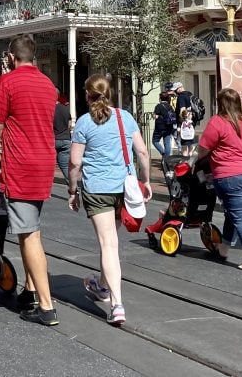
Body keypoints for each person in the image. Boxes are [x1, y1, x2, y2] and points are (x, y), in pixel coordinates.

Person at [0, 34, 59, 326]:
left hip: (22, 163)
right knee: (33, 227)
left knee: (29, 235)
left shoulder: (9, 83)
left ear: (12, 58)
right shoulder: (48, 85)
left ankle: (46, 306)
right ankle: (29, 289)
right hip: (45, 161)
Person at [67, 74, 151, 326]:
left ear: (87, 95)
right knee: (111, 244)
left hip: (98, 189)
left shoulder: (84, 123)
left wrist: (73, 190)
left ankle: (117, 305)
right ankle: (102, 286)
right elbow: (143, 151)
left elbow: (74, 162)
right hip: (123, 188)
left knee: (108, 245)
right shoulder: (125, 117)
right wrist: (145, 180)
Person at [198, 88, 242, 271]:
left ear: (220, 103)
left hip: (230, 175)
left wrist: (198, 160)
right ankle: (224, 247)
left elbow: (204, 148)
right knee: (233, 211)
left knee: (239, 214)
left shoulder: (217, 122)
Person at [151, 92, 176, 159]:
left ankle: (163, 154)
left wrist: (155, 115)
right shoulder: (170, 106)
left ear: (160, 98)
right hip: (168, 127)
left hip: (159, 127)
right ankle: (166, 159)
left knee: (155, 141)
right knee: (167, 143)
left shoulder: (159, 106)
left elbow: (155, 116)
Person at [52, 93, 71, 179]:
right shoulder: (66, 109)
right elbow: (69, 124)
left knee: (49, 166)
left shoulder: (51, 109)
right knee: (65, 167)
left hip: (54, 139)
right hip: (66, 139)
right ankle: (73, 187)